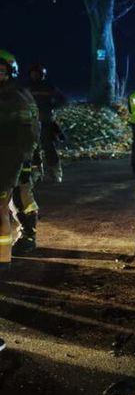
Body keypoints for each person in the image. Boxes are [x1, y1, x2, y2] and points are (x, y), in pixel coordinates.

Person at [0, 50, 40, 265]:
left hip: (14, 157)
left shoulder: (17, 96)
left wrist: (25, 159)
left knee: (21, 198)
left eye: (0, 70)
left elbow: (29, 130)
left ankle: (27, 236)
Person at [25, 63, 67, 182]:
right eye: (33, 73)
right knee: (33, 148)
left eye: (37, 73)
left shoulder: (49, 87)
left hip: (45, 121)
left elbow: (62, 99)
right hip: (31, 121)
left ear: (42, 75)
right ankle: (36, 171)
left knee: (48, 146)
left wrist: (51, 107)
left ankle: (55, 171)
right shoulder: (26, 88)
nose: (35, 75)